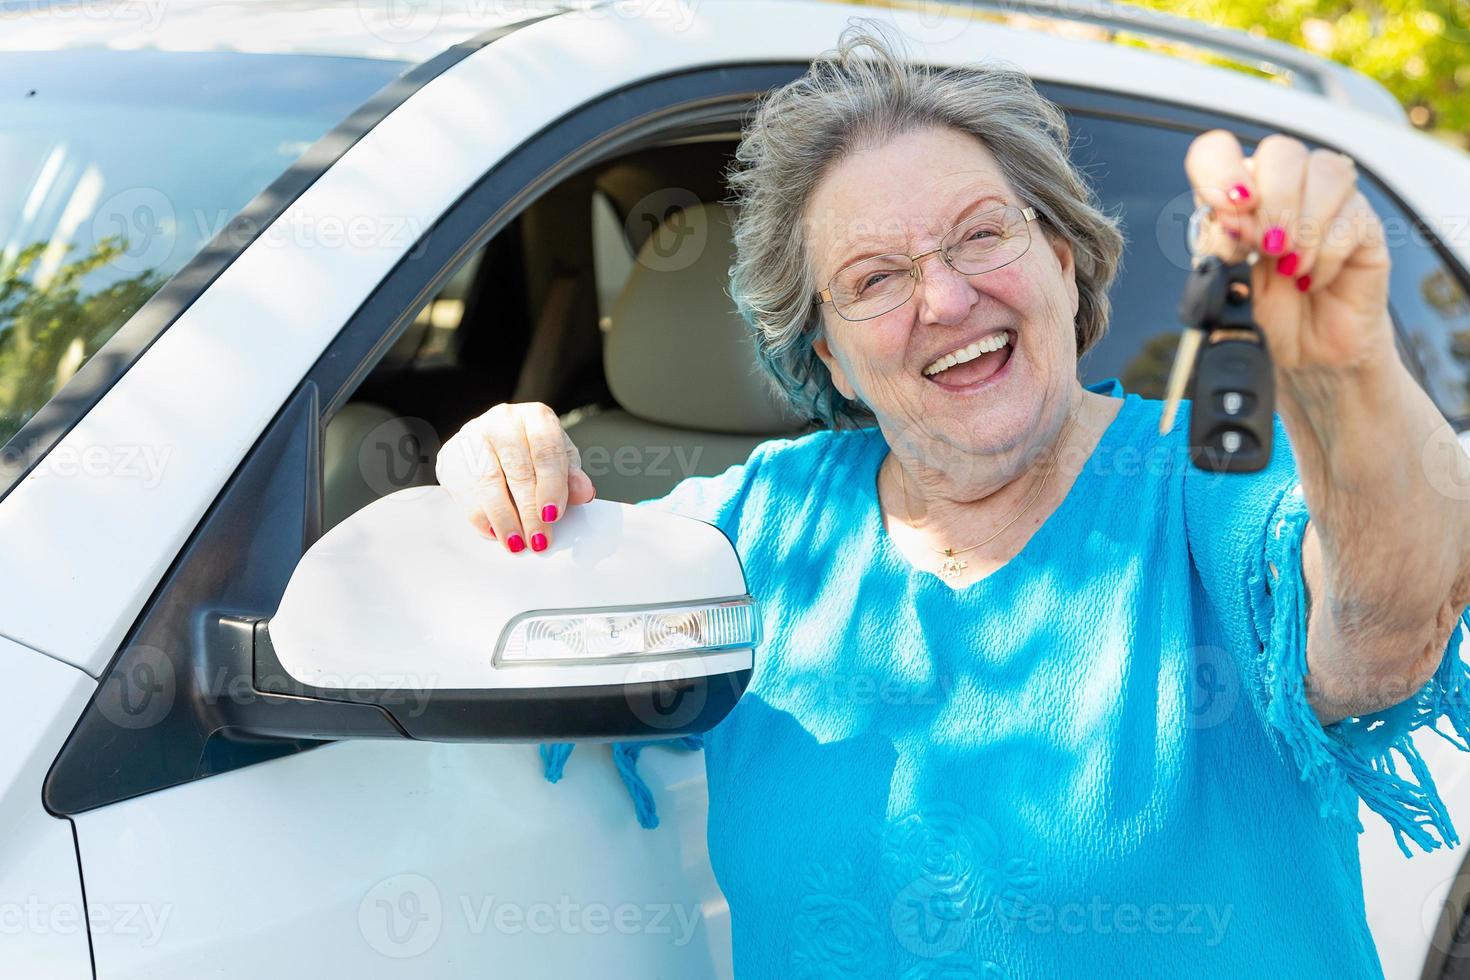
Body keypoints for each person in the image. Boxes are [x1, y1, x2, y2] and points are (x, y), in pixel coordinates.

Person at [434, 24, 1470, 979]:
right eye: (876, 278)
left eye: (983, 235)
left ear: (1063, 261)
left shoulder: (1204, 474)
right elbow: (508, 601)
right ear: (829, 354)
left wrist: (1351, 375)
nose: (944, 299)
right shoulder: (757, 530)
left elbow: (1379, 634)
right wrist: (492, 479)